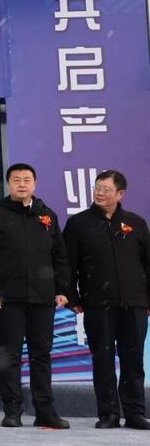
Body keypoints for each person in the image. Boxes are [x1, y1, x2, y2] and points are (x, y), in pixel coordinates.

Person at [0, 163, 71, 429]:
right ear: (8, 184)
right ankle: (12, 410)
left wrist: (62, 290)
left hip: (43, 298)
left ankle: (45, 410)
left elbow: (60, 256)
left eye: (26, 180)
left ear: (35, 184)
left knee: (42, 355)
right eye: (16, 180)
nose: (21, 184)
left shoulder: (47, 216)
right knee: (11, 355)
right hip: (8, 299)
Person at [63, 170, 150, 430]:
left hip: (134, 302)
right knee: (102, 359)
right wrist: (73, 297)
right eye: (97, 188)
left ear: (120, 193)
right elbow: (68, 265)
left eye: (106, 189)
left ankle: (135, 412)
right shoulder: (79, 223)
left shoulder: (135, 223)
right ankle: (108, 413)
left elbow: (147, 263)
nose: (99, 193)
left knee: (133, 360)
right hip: (97, 303)